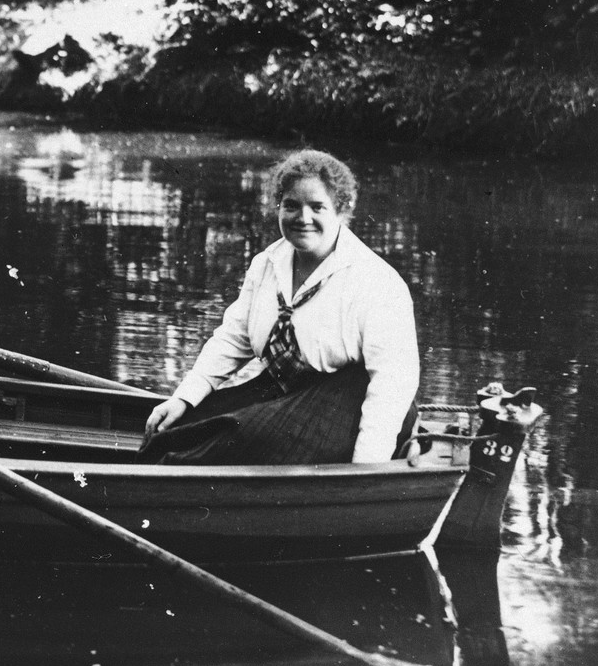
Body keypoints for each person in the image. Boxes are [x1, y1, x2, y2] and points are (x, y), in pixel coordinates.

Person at [139, 149, 419, 465]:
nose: (303, 218)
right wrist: (183, 398)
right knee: (178, 429)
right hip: (283, 391)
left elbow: (393, 383)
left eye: (317, 207)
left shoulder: (376, 281)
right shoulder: (267, 264)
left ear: (340, 211)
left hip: (350, 401)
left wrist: (367, 467)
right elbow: (233, 340)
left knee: (242, 437)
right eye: (291, 206)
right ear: (278, 207)